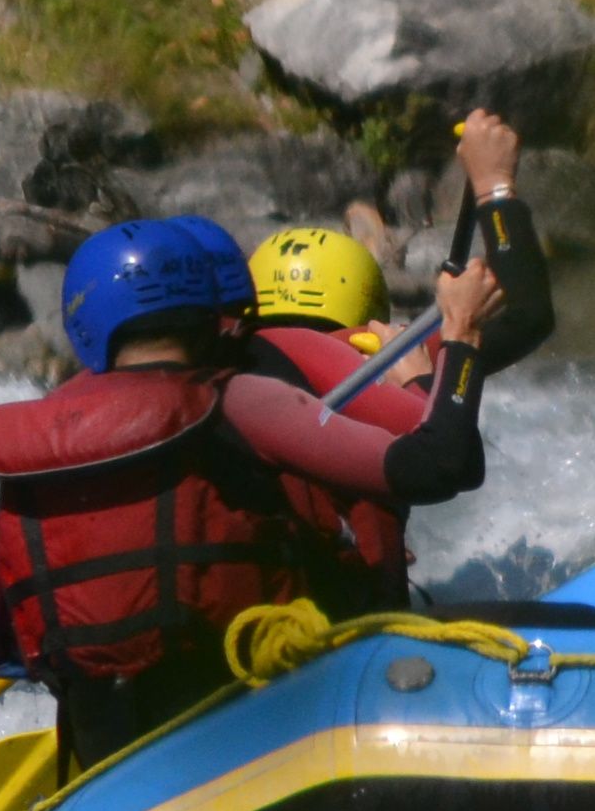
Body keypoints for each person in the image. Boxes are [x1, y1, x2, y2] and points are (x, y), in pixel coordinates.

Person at [0, 216, 507, 768]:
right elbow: (439, 463)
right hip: (258, 740)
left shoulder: (39, 448)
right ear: (213, 311)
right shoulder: (240, 400)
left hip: (109, 762)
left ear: (85, 326)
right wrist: (462, 334)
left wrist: (90, 656)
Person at [240, 113, 561, 610]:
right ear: (368, 302)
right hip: (360, 633)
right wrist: (494, 186)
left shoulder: (230, 368)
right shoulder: (377, 351)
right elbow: (527, 313)